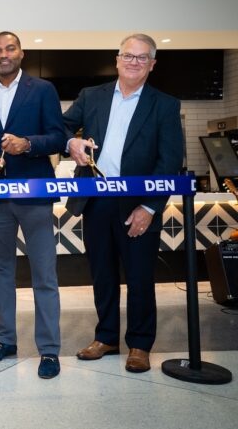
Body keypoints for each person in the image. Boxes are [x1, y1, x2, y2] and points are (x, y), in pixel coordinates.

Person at [63, 33, 183, 373]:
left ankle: (140, 345)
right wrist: (72, 142)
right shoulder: (92, 96)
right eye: (128, 56)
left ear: (152, 65)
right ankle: (106, 337)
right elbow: (63, 126)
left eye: (142, 58)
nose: (134, 62)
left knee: (141, 276)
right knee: (102, 273)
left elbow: (169, 161)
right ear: (117, 59)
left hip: (137, 204)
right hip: (96, 199)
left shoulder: (165, 104)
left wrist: (149, 207)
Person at [0, 31, 66, 379]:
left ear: (21, 53)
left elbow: (58, 136)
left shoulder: (42, 90)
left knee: (44, 274)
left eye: (9, 48)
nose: (3, 54)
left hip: (36, 193)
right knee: (1, 273)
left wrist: (27, 144)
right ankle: (5, 341)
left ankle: (49, 349)